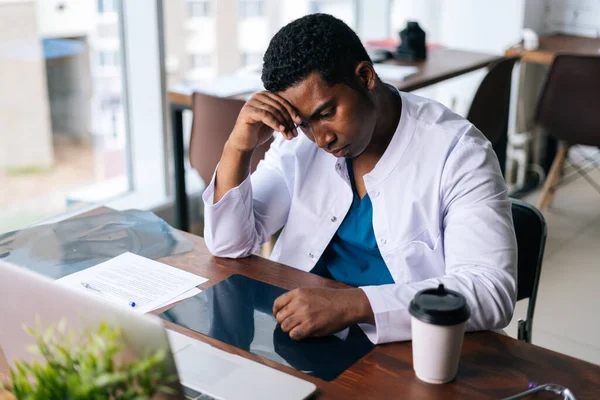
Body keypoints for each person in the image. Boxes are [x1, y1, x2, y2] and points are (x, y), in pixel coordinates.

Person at [202, 13, 517, 344]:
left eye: (327, 113)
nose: (322, 138)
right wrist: (238, 147)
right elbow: (229, 245)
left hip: (410, 348)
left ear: (365, 76)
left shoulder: (458, 152)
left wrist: (356, 305)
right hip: (300, 337)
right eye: (306, 123)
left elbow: (491, 290)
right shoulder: (299, 145)